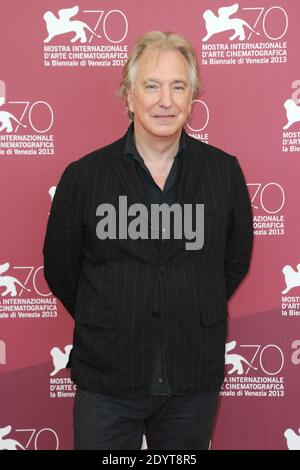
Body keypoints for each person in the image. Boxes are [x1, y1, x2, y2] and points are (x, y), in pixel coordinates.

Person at [43, 31, 253, 450]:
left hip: (192, 377)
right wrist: (111, 314)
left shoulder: (223, 173)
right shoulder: (84, 177)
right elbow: (62, 268)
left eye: (178, 87)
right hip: (107, 377)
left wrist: (186, 302)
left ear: (192, 99)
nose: (165, 100)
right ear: (129, 96)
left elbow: (233, 260)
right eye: (152, 86)